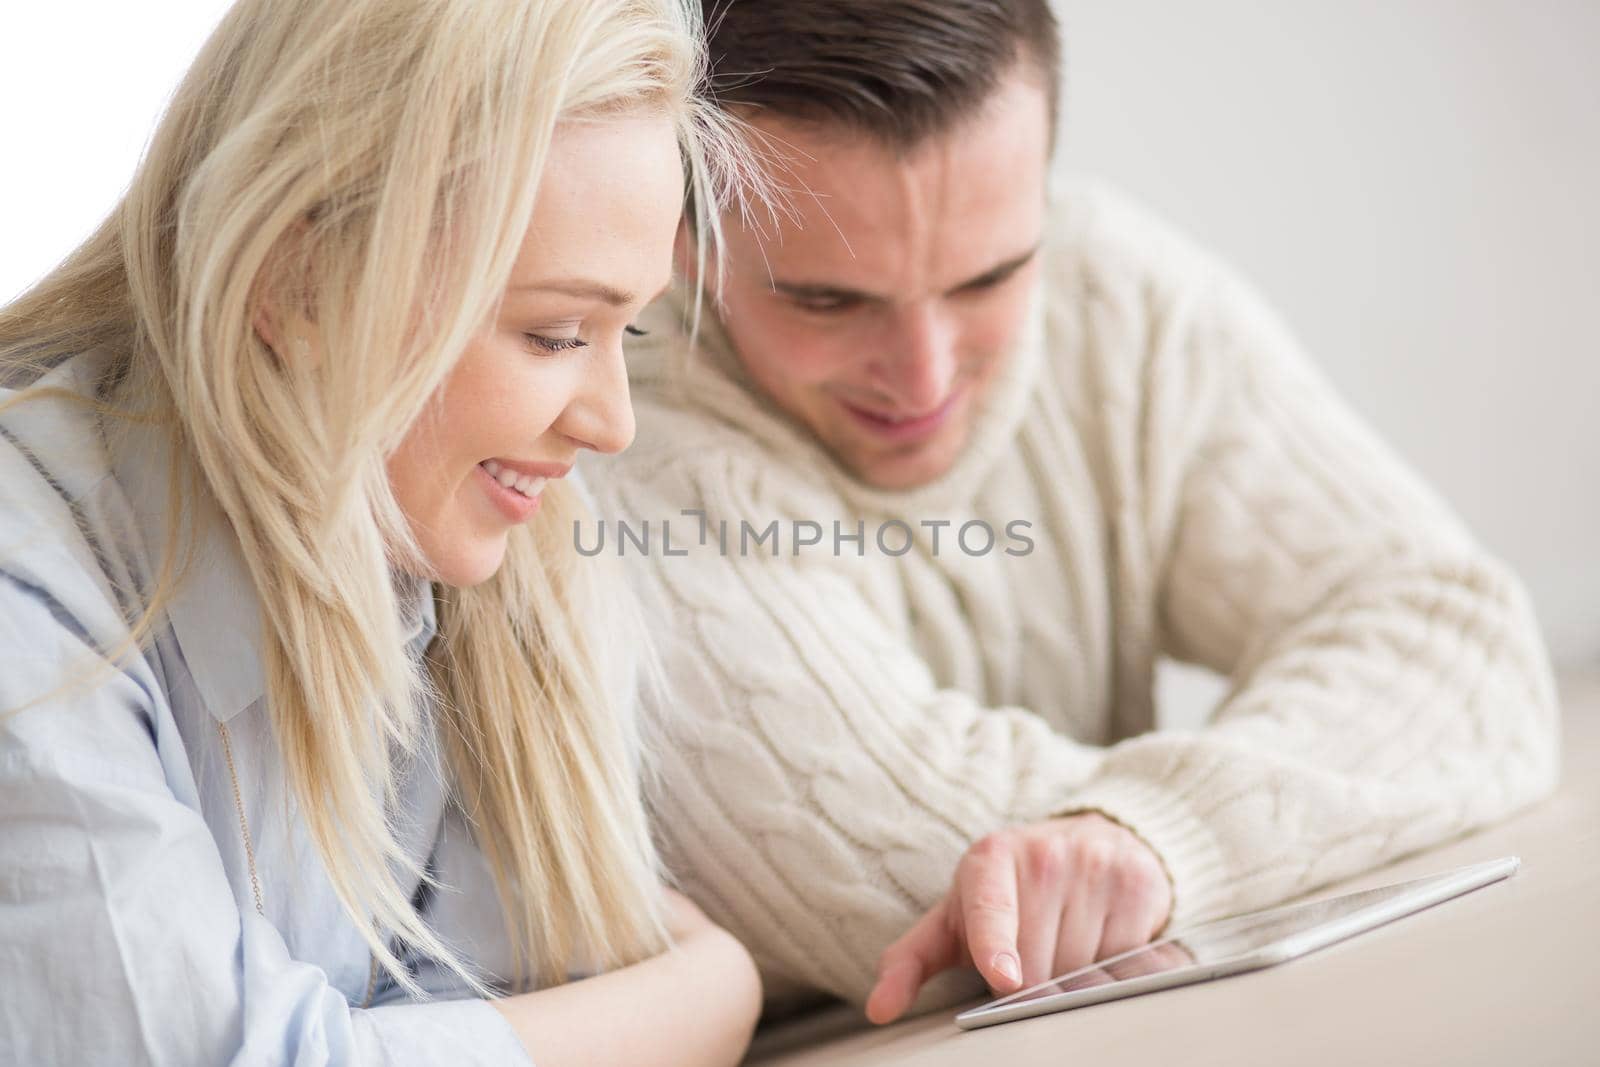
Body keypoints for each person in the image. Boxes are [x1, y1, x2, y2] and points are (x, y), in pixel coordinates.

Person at [582, 0, 1562, 1024]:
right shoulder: (612, 430)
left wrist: (1161, 830)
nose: (924, 374)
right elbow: (928, 897)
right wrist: (1276, 805)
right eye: (829, 301)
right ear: (682, 235)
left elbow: (1464, 644)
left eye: (990, 274)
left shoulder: (1111, 294)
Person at [0, 1, 765, 1063]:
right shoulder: (26, 590)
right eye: (553, 334)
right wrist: (709, 993)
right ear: (299, 285)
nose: (612, 421)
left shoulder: (460, 557)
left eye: (623, 329)